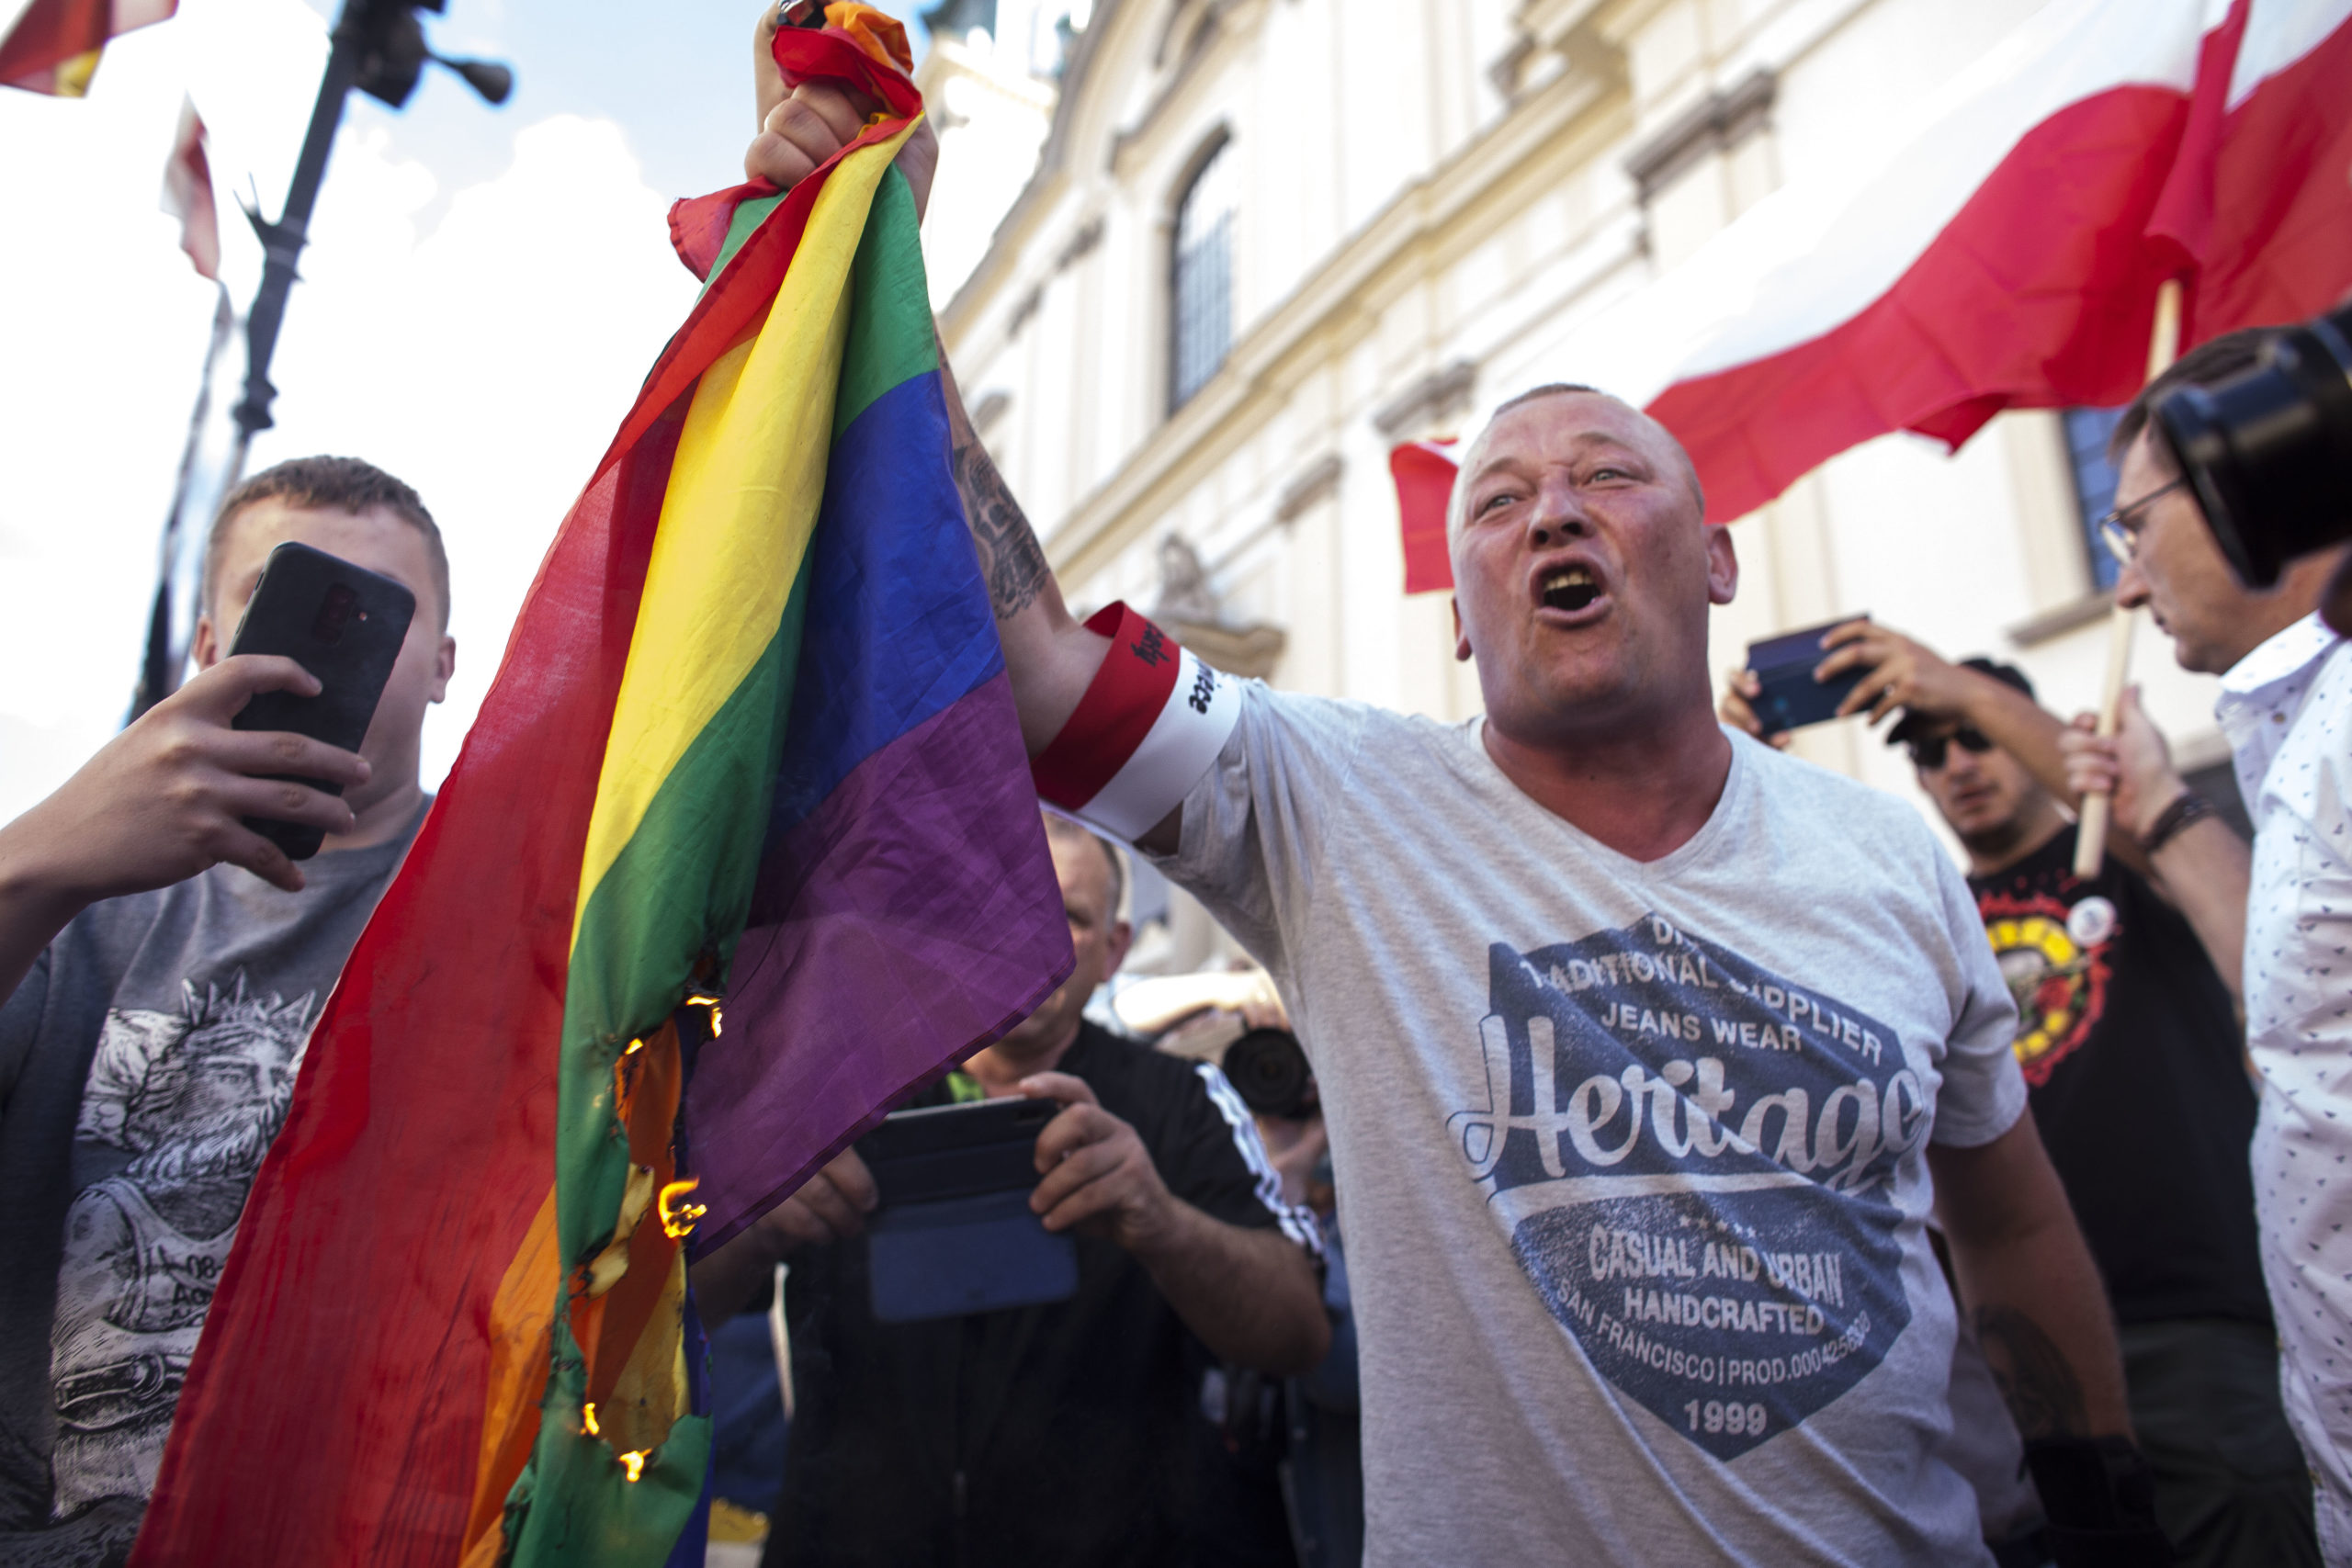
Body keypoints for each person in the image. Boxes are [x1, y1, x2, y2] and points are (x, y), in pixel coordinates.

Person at [739, 44, 2159, 1564]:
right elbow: (1034, 664)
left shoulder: (1891, 858)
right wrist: (881, 258)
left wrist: (2106, 1505)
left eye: (1609, 474)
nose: (1551, 505)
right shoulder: (1331, 801)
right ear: (1464, 619)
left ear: (1721, 557)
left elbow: (2006, 1221)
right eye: (1497, 497)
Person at [1727, 637, 2312, 1565]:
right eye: (1927, 749)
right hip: (2011, 1379)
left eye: (1973, 736)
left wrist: (1953, 683)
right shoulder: (1918, 915)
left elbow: (2267, 948)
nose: (1956, 763)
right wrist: (1733, 774)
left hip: (2187, 1327)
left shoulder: (2121, 858)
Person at [0, 456, 457, 1563]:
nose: (330, 647)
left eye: (377, 614)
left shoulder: (523, 901)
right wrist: (34, 869)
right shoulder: (77, 905)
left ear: (444, 666)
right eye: (288, 597)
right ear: (208, 644)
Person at [691, 813, 1329, 1567]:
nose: (1028, 935)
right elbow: (671, 1319)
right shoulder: (836, 1092)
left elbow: (1301, 1334)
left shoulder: (1181, 1099)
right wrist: (760, 1221)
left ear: (1113, 951)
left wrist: (1162, 1223)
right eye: (1001, 901)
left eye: (1068, 914)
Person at [2064, 327, 2352, 1562]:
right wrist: (2164, 815)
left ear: (2252, 470)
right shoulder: (2303, 739)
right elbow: (2308, 1022)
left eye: (2131, 526)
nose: (2125, 582)